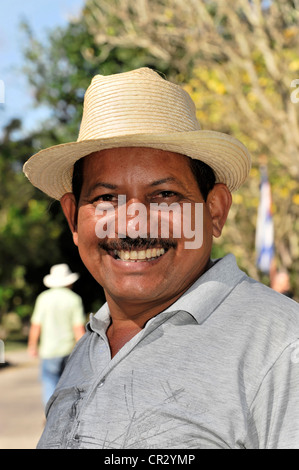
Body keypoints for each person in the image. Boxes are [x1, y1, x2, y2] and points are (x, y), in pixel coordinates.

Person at [23, 67, 299, 449]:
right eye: (106, 198)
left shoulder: (283, 347)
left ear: (215, 211)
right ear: (72, 217)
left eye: (165, 195)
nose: (133, 226)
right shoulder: (89, 347)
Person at [27, 263, 86, 407]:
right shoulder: (74, 299)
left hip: (49, 351)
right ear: (69, 282)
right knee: (68, 385)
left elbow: (36, 325)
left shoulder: (43, 298)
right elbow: (78, 328)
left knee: (49, 383)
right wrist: (83, 350)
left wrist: (32, 345)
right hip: (69, 350)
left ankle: (51, 415)